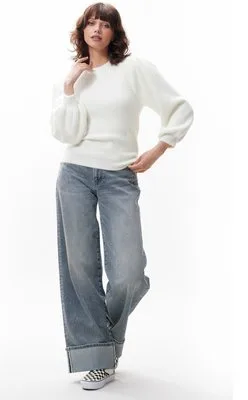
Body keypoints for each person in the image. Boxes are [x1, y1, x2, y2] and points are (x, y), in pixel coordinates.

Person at [50, 2, 194, 391]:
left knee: (129, 274)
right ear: (81, 30)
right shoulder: (72, 78)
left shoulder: (134, 69)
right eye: (91, 23)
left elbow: (179, 108)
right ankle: (100, 360)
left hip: (119, 177)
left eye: (105, 24)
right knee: (80, 269)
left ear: (115, 32)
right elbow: (66, 134)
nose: (97, 29)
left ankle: (102, 348)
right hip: (74, 175)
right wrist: (69, 89)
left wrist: (159, 149)